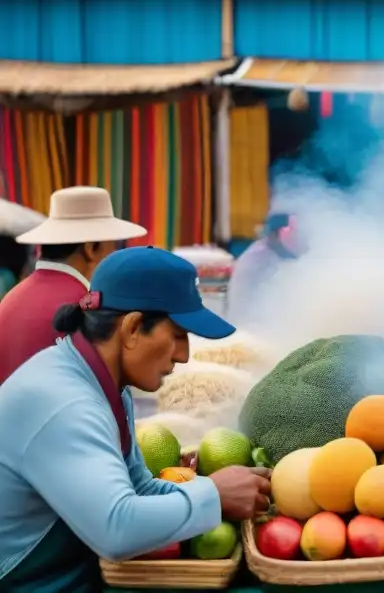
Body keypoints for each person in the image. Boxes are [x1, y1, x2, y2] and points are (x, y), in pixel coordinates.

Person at [0, 246, 271, 592]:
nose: (185, 355)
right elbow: (116, 528)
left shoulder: (107, 384)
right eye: (177, 335)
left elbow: (139, 489)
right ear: (131, 328)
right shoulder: (65, 402)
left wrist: (222, 488)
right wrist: (214, 495)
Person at [0, 186, 147, 385]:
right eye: (112, 247)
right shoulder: (90, 310)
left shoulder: (9, 300)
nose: (114, 257)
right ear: (91, 248)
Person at [227, 213, 303, 323]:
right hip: (251, 325)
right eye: (294, 231)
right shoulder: (259, 257)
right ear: (280, 232)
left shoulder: (273, 251)